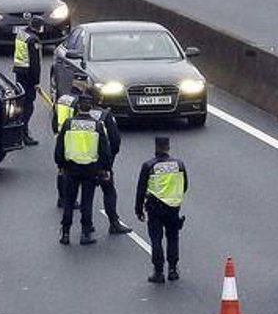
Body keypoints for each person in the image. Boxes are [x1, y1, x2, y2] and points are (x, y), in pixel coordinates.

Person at [49, 91, 131, 233]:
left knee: (70, 198)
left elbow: (63, 140)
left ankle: (66, 231)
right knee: (107, 191)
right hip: (98, 165)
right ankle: (113, 223)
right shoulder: (105, 116)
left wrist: (61, 164)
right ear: (99, 99)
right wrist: (107, 165)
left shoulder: (74, 118)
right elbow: (114, 141)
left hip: (74, 164)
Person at [55, 95, 111, 245]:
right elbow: (104, 151)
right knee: (87, 202)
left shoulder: (68, 124)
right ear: (91, 107)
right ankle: (85, 233)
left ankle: (65, 233)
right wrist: (105, 169)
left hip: (71, 168)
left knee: (69, 201)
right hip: (90, 169)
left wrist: (60, 165)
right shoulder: (97, 126)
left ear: (78, 106)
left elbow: (60, 148)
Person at [135, 136, 189, 283]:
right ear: (168, 147)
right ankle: (172, 270)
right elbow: (185, 186)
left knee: (156, 239)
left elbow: (141, 190)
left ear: (156, 147)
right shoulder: (179, 165)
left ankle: (158, 272)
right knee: (172, 238)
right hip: (173, 207)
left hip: (155, 207)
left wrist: (138, 210)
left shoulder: (149, 166)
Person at [12, 18, 44, 146]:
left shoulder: (22, 34)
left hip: (19, 72)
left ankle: (17, 131)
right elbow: (35, 64)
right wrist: (36, 81)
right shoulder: (33, 40)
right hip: (28, 75)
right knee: (28, 105)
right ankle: (23, 133)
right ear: (39, 27)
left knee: (20, 103)